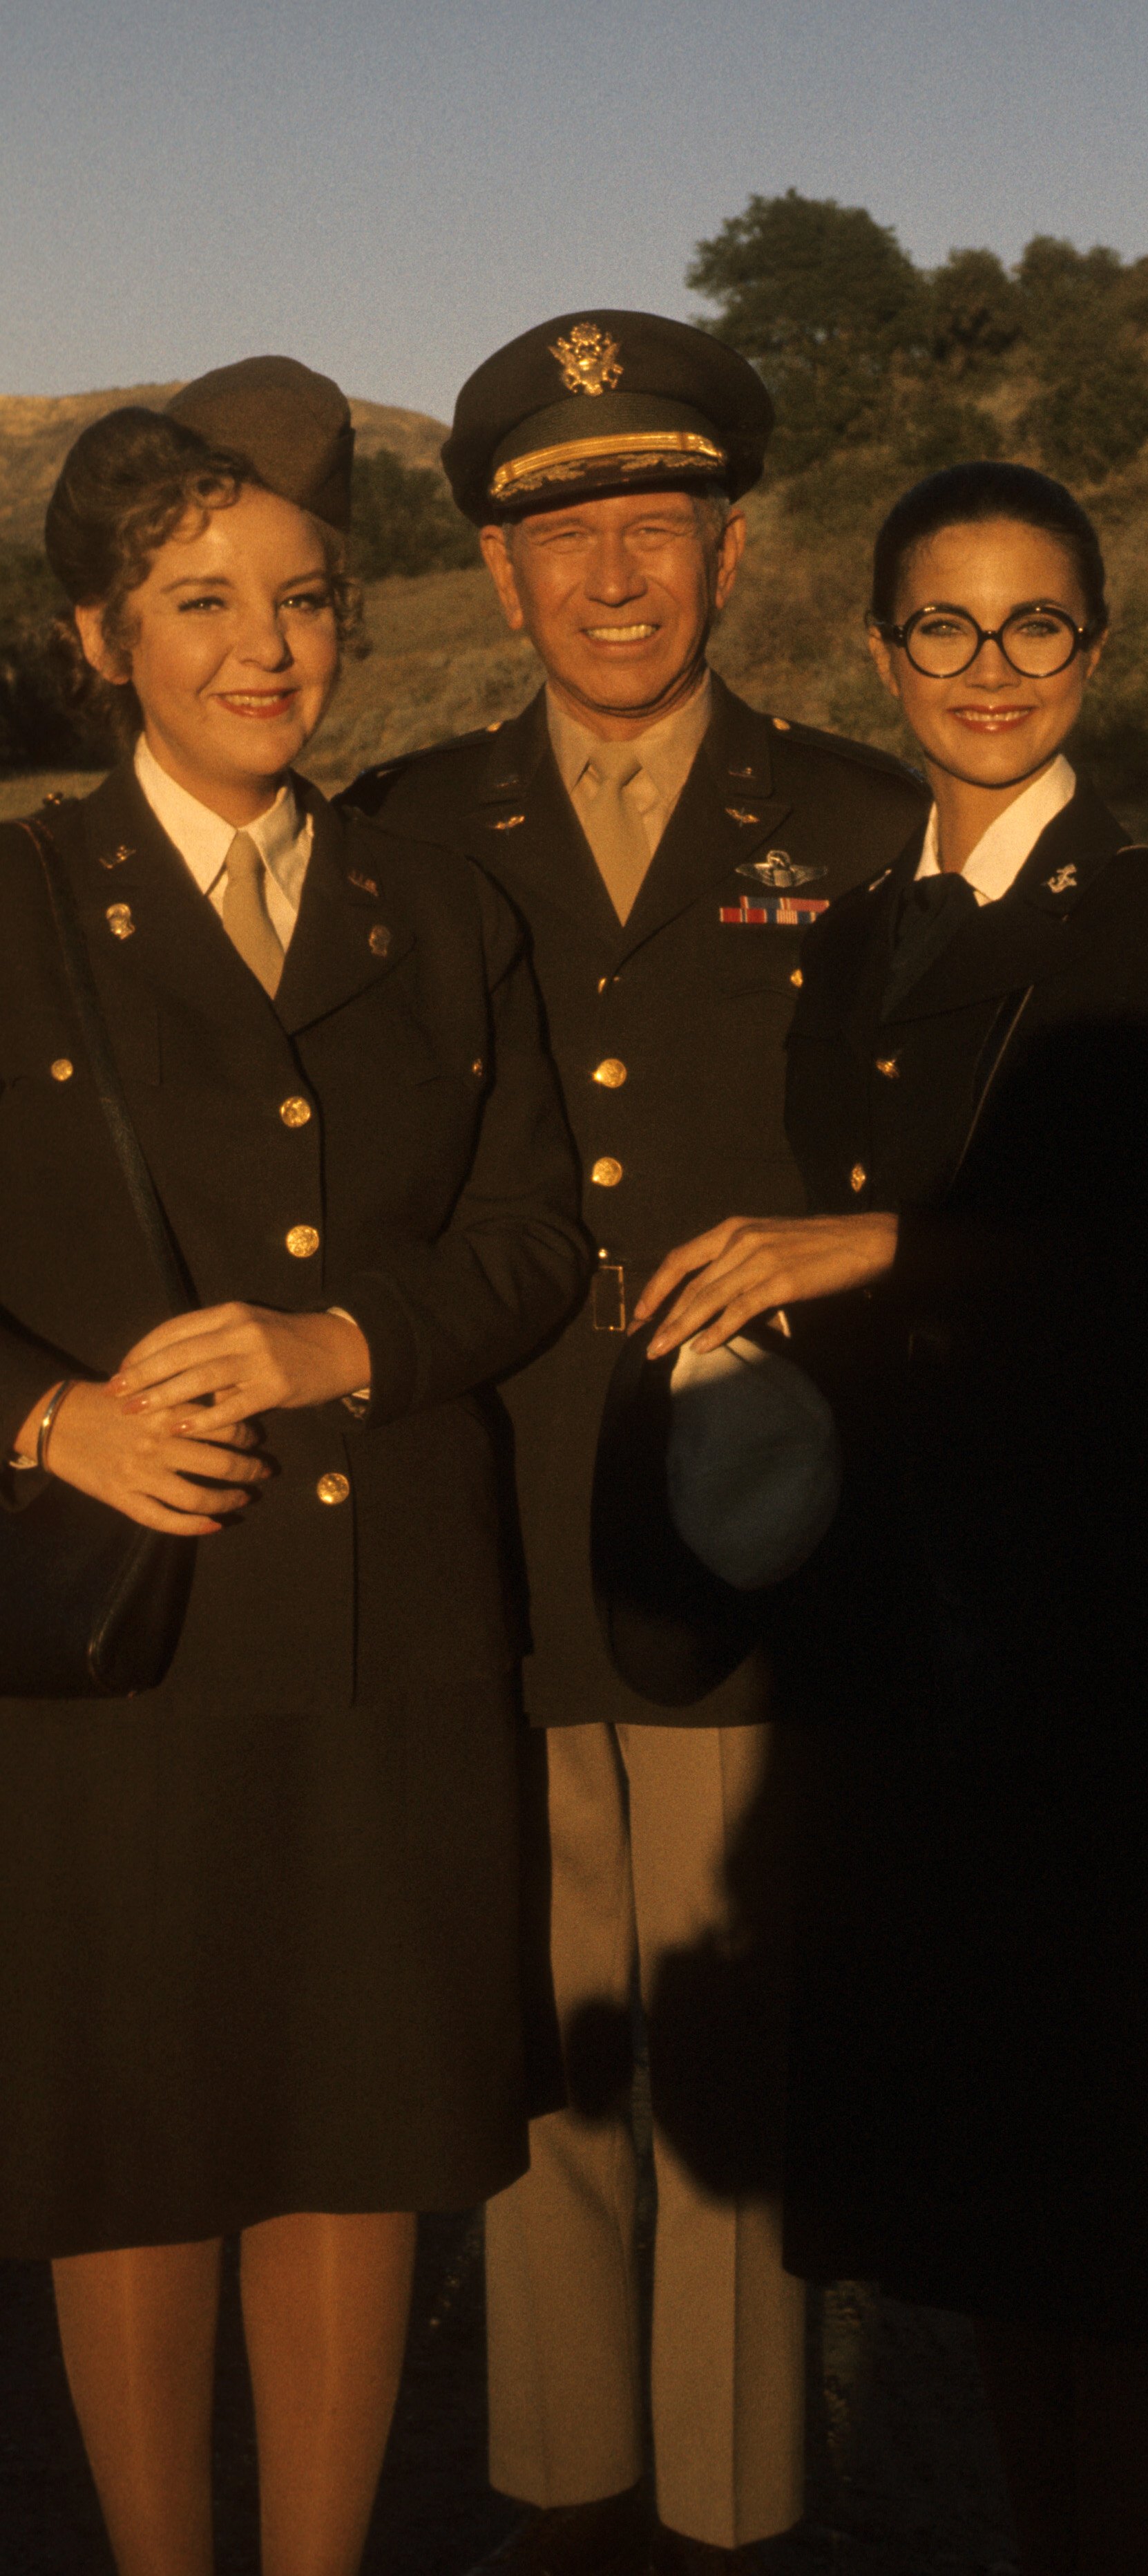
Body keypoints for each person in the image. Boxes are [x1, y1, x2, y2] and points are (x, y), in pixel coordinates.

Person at [341, 311, 927, 2576]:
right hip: (484, 1509)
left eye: (656, 527)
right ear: (495, 576)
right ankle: (566, 2494)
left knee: (730, 2041)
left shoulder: (869, 825)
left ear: (732, 553)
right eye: (562, 531)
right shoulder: (407, 830)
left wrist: (860, 1251)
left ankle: (738, 2511)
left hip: (743, 1519)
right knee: (537, 2028)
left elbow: (954, 1173)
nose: (613, 575)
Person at [637, 461, 1148, 2576]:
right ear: (878, 650)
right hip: (899, 1627)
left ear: (1096, 647)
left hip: (1086, 1629)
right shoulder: (873, 927)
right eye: (942, 627)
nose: (988, 672)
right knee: (983, 2194)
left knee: (1115, 2184)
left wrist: (870, 1244)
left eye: (1035, 627)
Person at [0, 360, 590, 2576]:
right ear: (100, 639)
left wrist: (343, 1340)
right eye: (201, 599)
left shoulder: (440, 910)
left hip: (390, 1627)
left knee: (353, 2139)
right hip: (122, 1637)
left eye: (308, 599)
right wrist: (49, 1418)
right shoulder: (18, 907)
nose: (265, 648)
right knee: (129, 2148)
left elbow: (539, 1234)